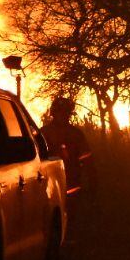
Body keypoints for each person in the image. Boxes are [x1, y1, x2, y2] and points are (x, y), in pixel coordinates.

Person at [40, 98, 96, 240]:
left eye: (65, 113)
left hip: (71, 186)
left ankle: (68, 246)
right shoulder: (43, 134)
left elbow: (87, 160)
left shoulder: (75, 134)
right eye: (60, 112)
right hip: (48, 187)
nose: (62, 115)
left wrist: (92, 184)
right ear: (53, 113)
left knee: (70, 221)